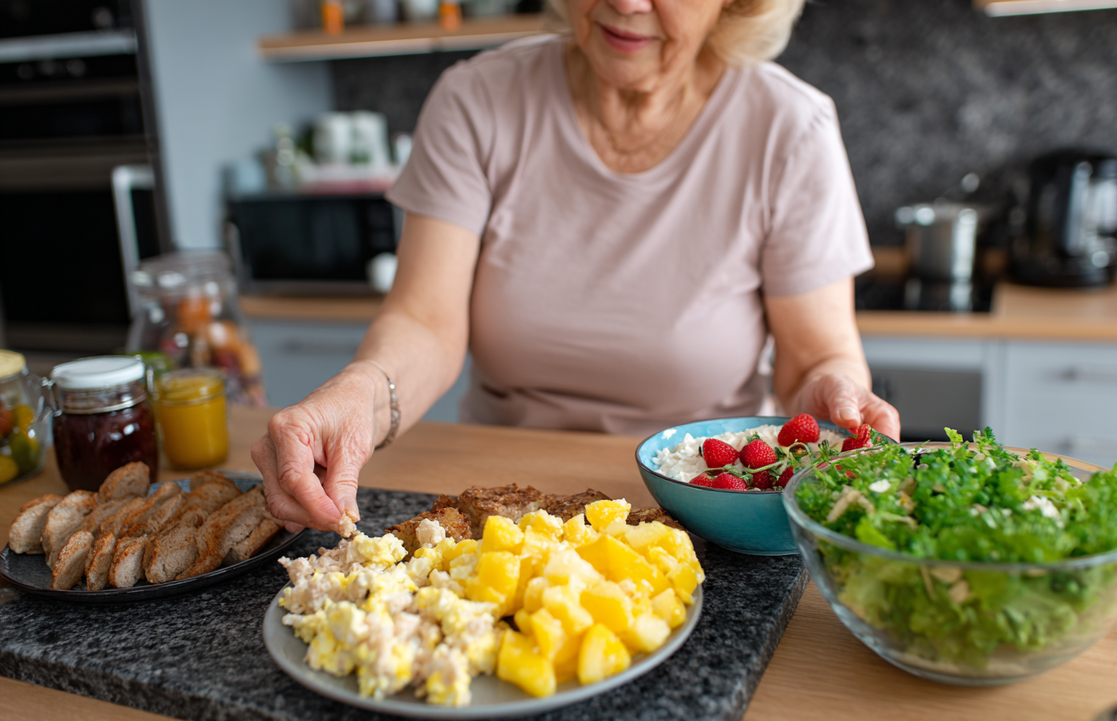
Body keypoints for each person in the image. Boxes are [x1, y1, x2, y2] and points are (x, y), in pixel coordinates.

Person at [252, 0, 901, 533]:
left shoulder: (789, 128)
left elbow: (816, 358)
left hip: (702, 500)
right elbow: (424, 321)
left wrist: (829, 392)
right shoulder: (476, 101)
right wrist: (358, 393)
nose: (625, 4)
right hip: (502, 499)